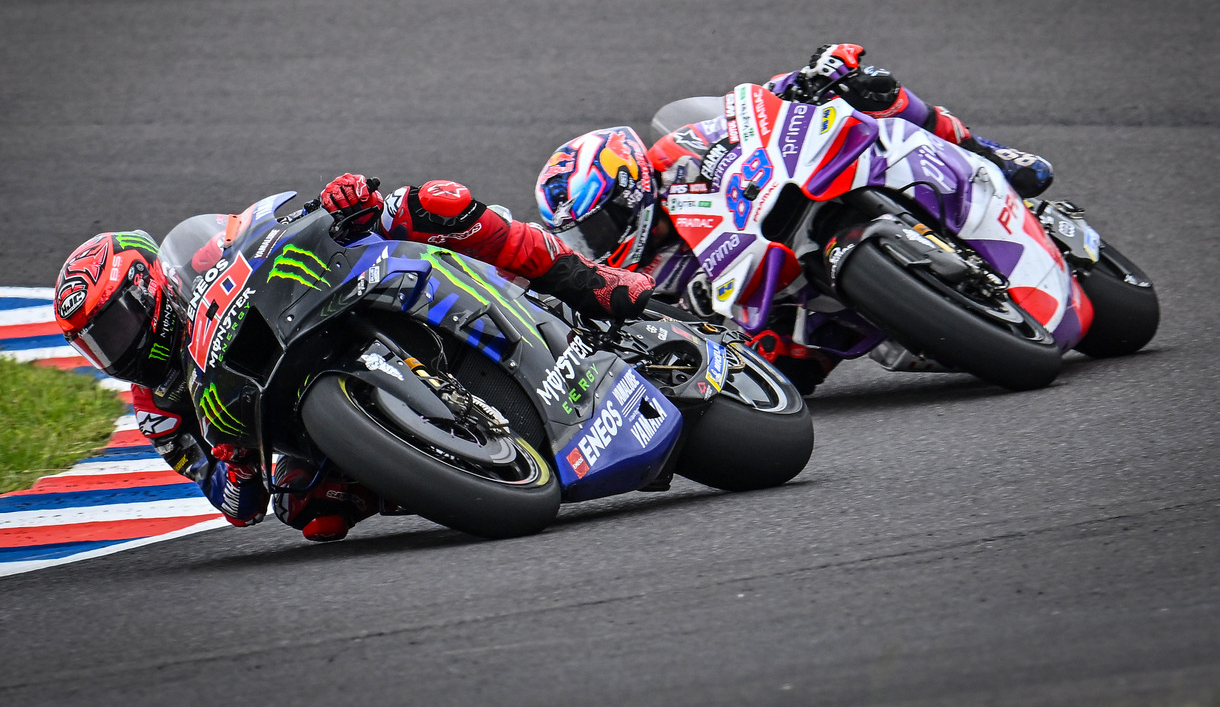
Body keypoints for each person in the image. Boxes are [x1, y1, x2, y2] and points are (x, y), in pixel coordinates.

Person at [53, 175, 654, 542]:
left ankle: (584, 280)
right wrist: (233, 470)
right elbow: (232, 504)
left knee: (429, 203)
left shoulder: (202, 251)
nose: (117, 348)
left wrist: (340, 201)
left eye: (115, 325)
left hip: (317, 307)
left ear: (147, 288)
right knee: (306, 510)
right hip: (285, 417)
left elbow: (268, 223)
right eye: (96, 343)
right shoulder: (158, 410)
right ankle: (440, 465)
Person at [533, 43, 1055, 393]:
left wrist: (810, 78)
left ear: (629, 188)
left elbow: (753, 111)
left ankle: (990, 153)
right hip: (785, 310)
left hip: (789, 204)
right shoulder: (635, 274)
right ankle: (923, 319)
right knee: (781, 369)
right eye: (580, 236)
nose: (593, 243)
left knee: (869, 92)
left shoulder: (679, 151)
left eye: (596, 225)